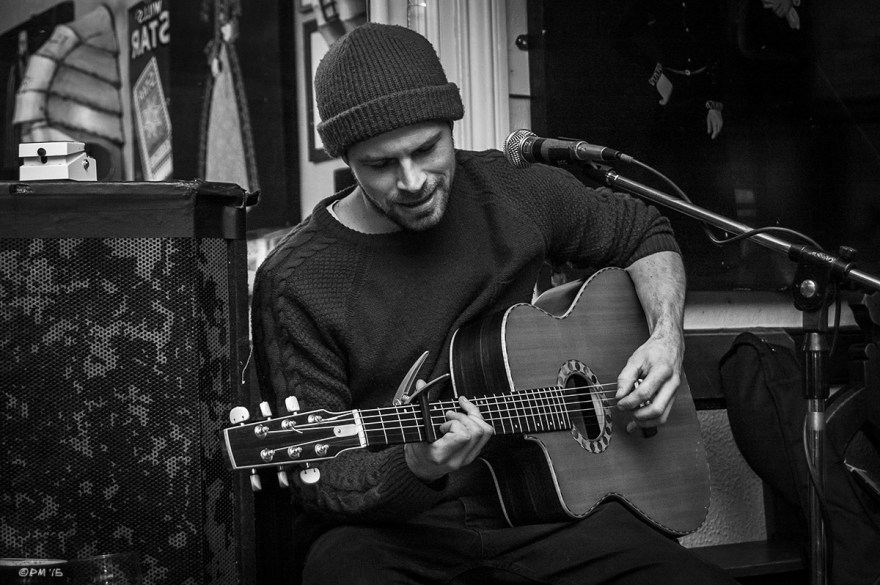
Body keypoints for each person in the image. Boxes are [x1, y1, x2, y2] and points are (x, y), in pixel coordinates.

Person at [252, 22, 735, 585]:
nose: (411, 181)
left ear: (451, 124)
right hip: (394, 537)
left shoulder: (513, 189)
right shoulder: (297, 280)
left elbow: (644, 232)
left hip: (546, 516)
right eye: (380, 164)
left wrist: (664, 337)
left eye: (426, 149)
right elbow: (326, 480)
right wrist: (414, 464)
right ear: (346, 158)